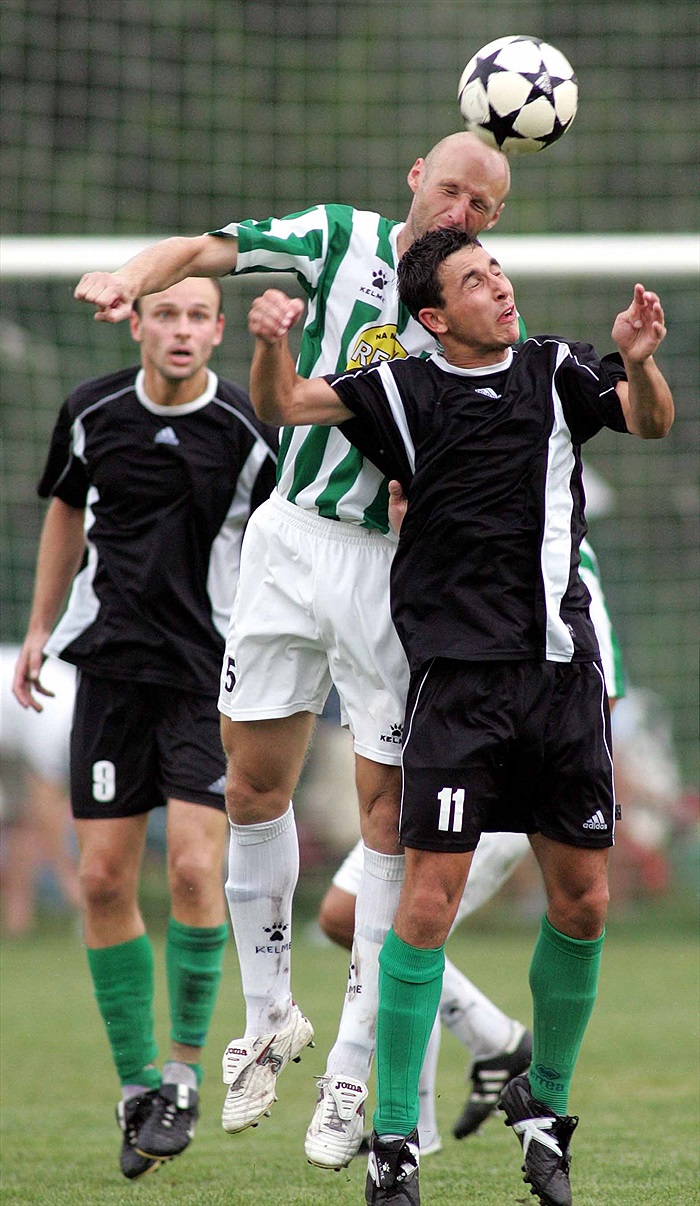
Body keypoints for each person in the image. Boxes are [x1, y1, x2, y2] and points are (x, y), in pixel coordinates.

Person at [73, 134, 536, 1165]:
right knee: (248, 787)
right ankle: (270, 1016)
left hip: (384, 569)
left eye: (481, 203)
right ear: (417, 177)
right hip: (288, 540)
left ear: (492, 220)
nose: (460, 209)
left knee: (383, 817)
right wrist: (127, 276)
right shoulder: (341, 239)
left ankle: (350, 1079)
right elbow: (204, 249)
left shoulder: (469, 310)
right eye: (449, 185)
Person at [243, 230, 673, 1205]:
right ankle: (394, 1139)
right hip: (456, 688)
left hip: (561, 678)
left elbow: (650, 422)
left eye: (498, 270)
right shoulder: (401, 388)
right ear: (433, 315)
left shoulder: (557, 368)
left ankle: (546, 1109)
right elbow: (285, 404)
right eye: (475, 280)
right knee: (422, 905)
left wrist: (639, 366)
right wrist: (272, 341)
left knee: (585, 903)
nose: (499, 286)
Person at [12, 278, 277, 1181]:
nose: (181, 328)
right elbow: (64, 512)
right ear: (136, 323)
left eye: (199, 315)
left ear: (214, 331)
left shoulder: (246, 430)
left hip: (207, 681)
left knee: (197, 866)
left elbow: (283, 537)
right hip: (111, 676)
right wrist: (41, 627)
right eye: (164, 313)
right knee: (99, 880)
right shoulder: (91, 413)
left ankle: (185, 1073)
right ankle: (136, 1089)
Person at [317, 534, 626, 1154]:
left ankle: (416, 1128)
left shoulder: (569, 563)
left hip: (506, 787)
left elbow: (599, 690)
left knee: (388, 921)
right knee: (359, 920)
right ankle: (491, 1045)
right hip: (456, 752)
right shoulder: (463, 532)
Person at [0, 646, 80, 937]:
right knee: (31, 814)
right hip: (15, 725)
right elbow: (45, 806)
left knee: (22, 820)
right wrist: (68, 879)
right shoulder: (56, 719)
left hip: (12, 734)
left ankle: (17, 925)